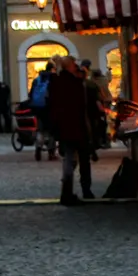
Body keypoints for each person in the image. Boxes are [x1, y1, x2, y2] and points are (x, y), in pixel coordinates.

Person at [48, 57, 94, 205]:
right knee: (75, 159)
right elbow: (81, 108)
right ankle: (73, 192)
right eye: (74, 64)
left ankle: (67, 191)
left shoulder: (56, 82)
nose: (76, 66)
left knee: (69, 159)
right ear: (69, 67)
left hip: (64, 127)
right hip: (75, 126)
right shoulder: (74, 83)